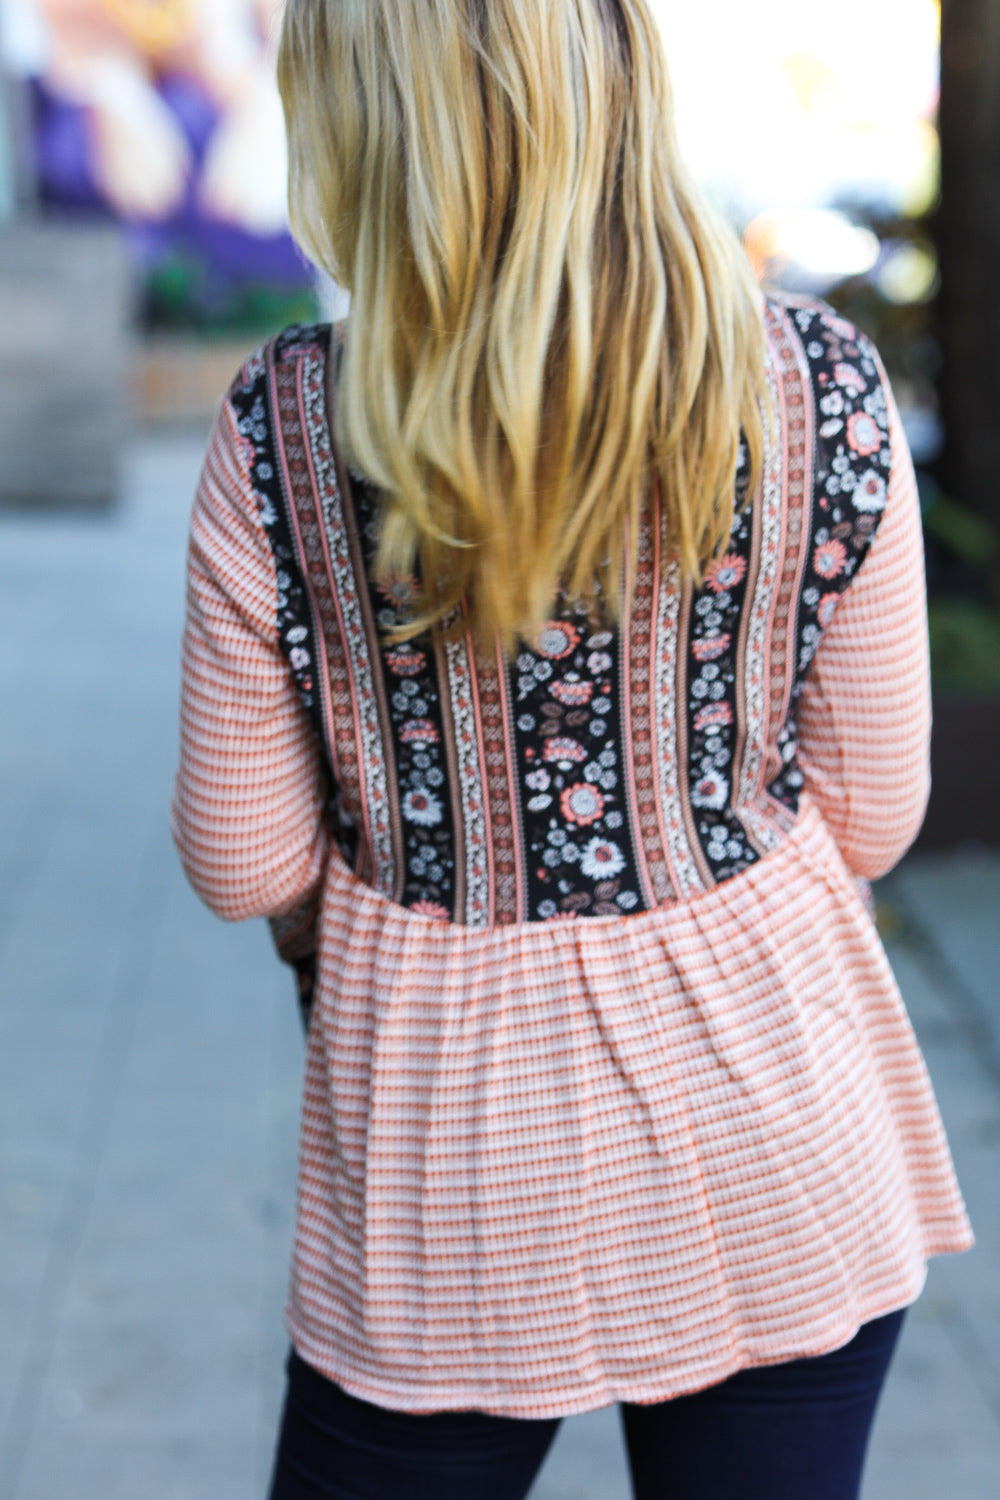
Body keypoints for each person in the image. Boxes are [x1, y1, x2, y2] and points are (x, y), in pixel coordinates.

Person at [172, 3, 972, 1496]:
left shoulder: (286, 424)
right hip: (780, 1114)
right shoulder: (821, 388)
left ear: (362, 118)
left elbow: (245, 861)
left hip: (446, 1148)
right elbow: (874, 809)